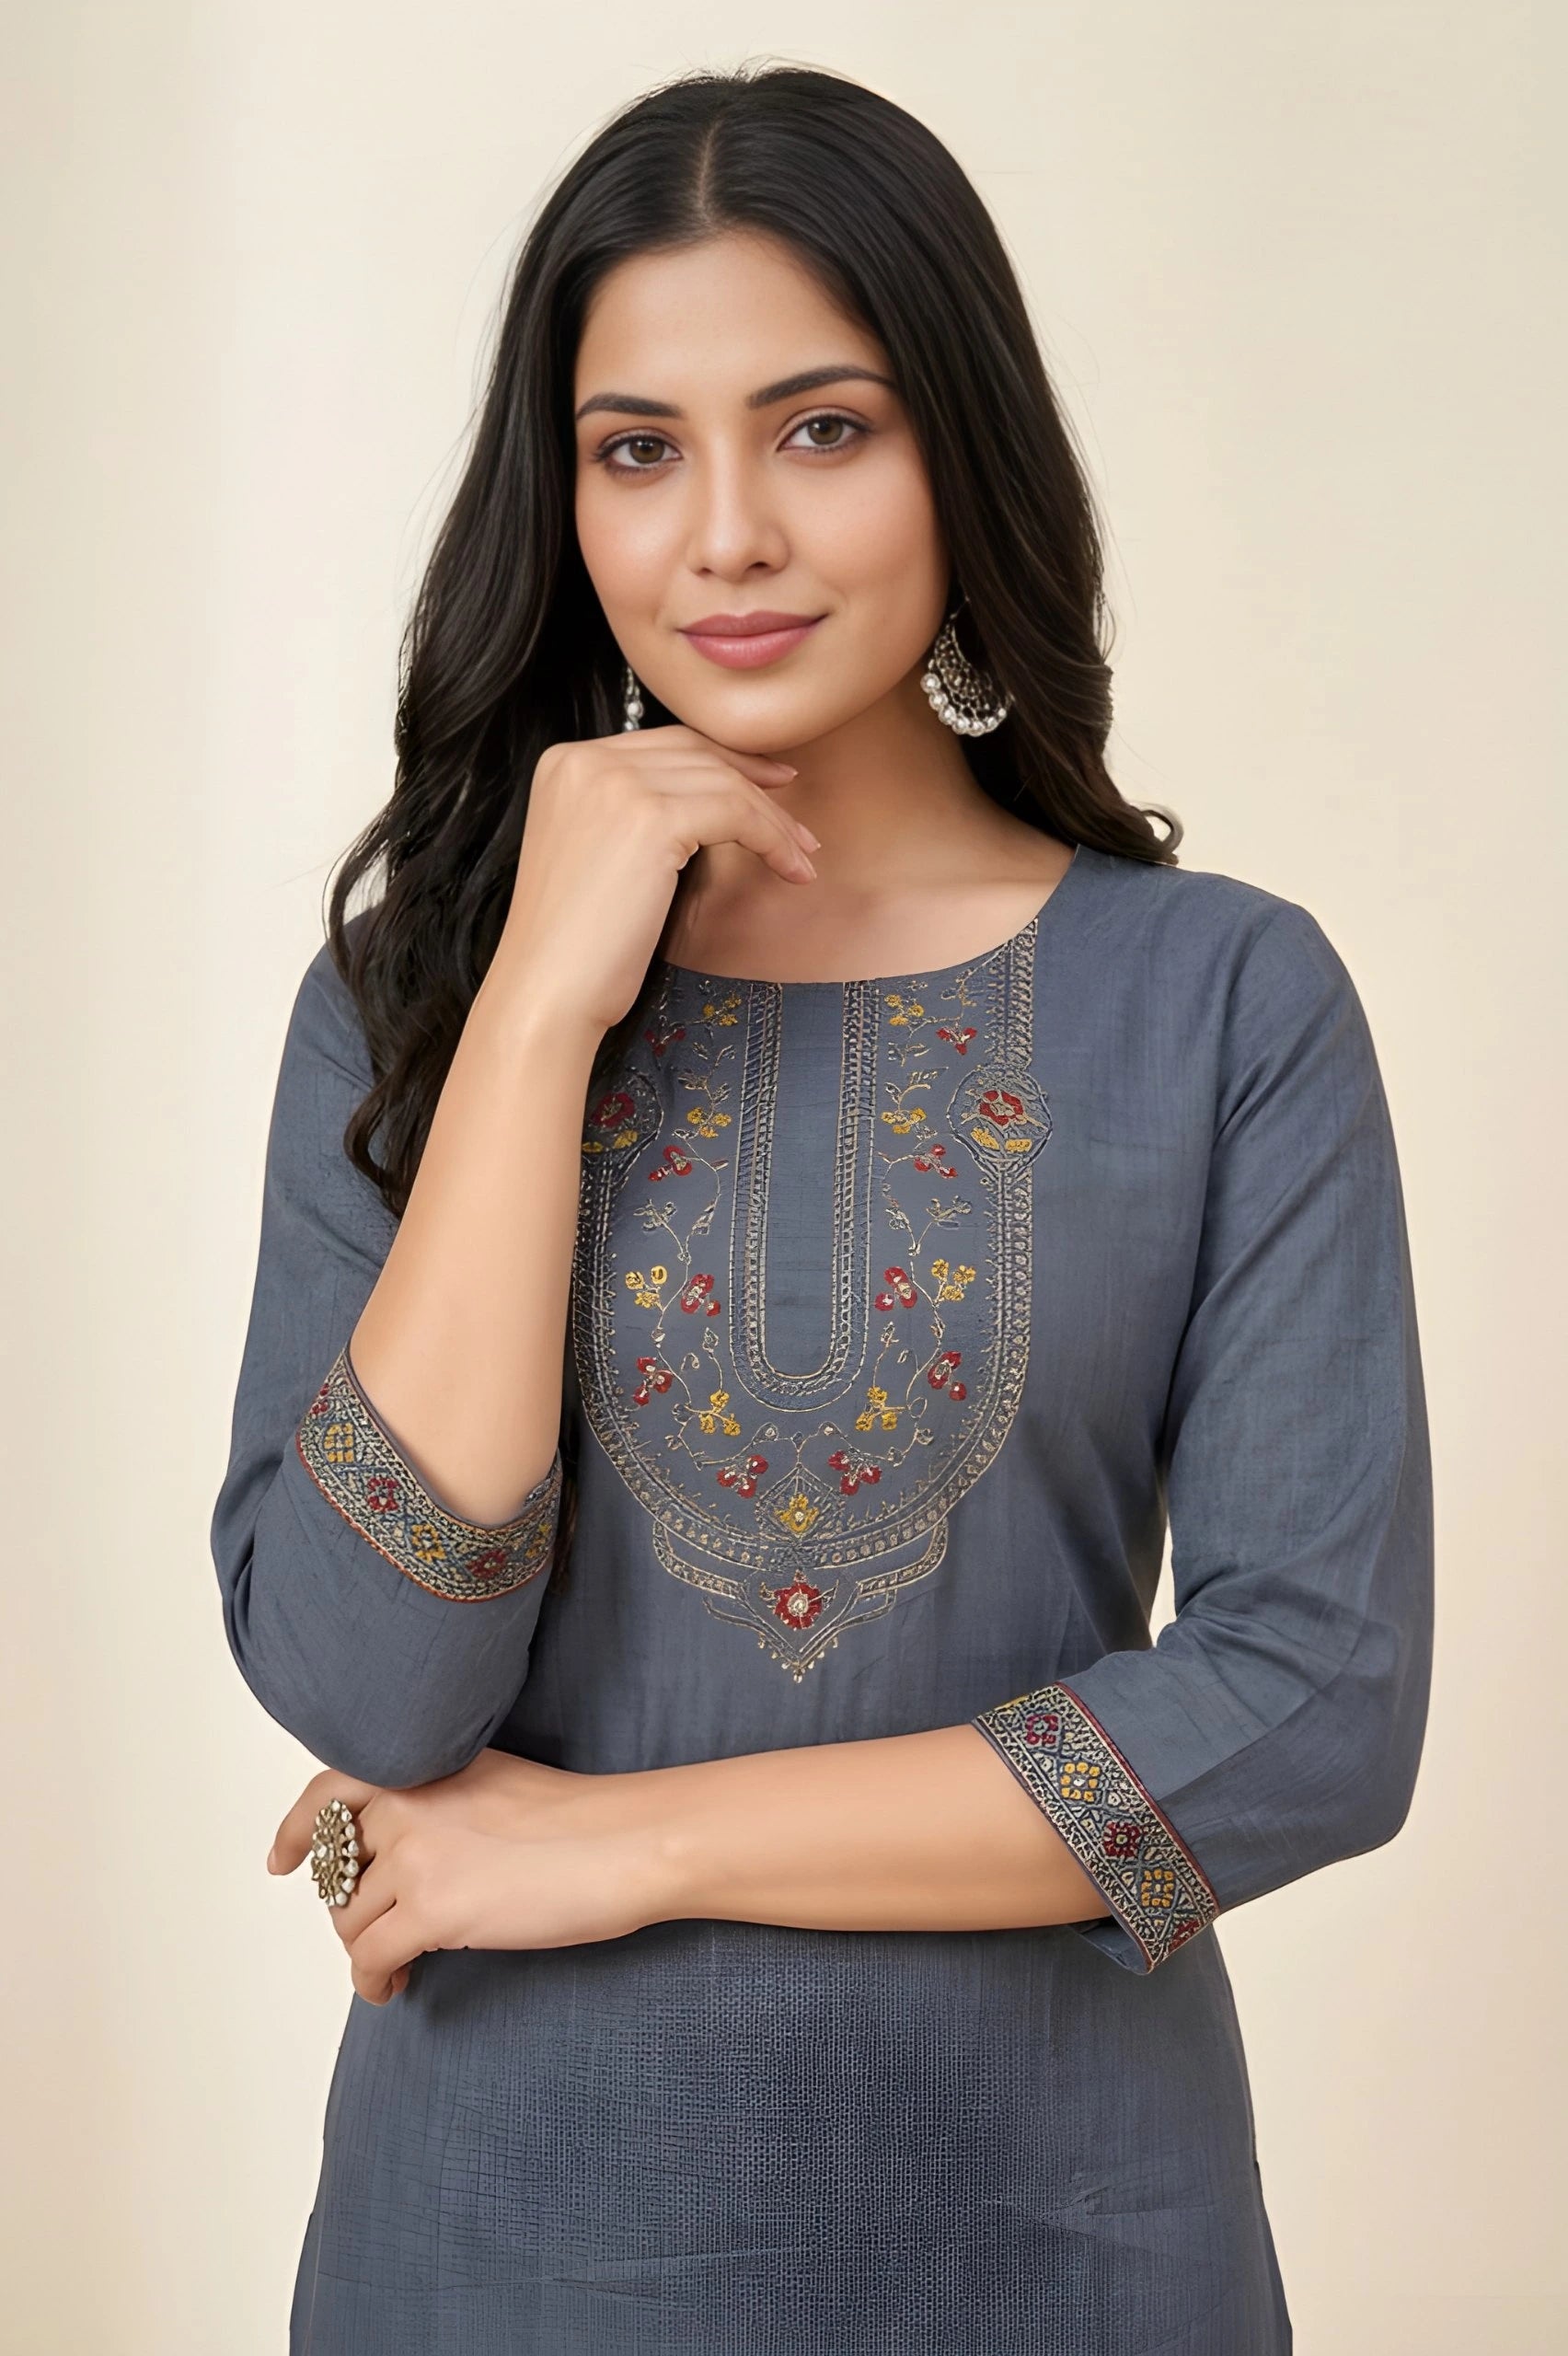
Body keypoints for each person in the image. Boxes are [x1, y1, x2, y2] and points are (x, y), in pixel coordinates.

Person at [210, 61, 1434, 2356]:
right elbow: (370, 1675)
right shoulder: (414, 1009)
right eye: (637, 448)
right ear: (560, 496)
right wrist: (543, 1009)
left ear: (959, 446)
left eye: (825, 428)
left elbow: (1311, 1704)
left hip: (1066, 2248)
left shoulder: (1221, 999)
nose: (726, 538)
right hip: (500, 2252)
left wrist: (614, 1843)